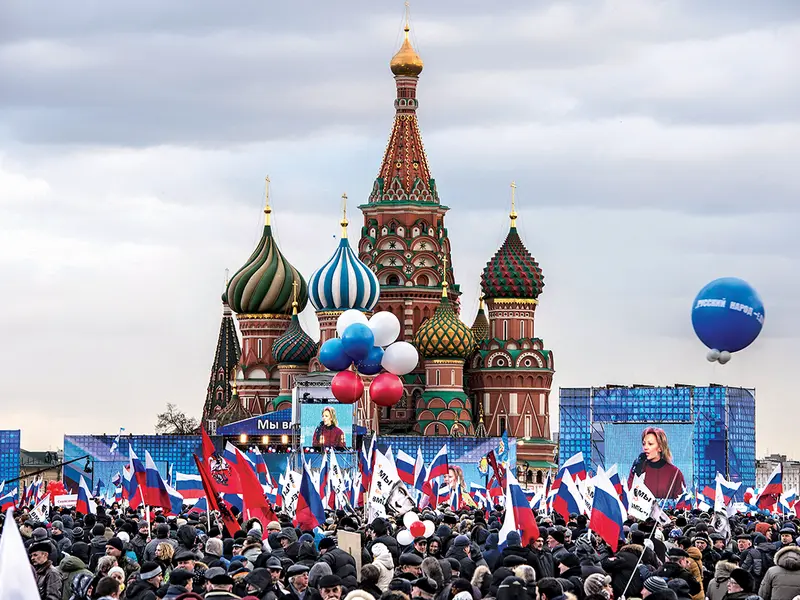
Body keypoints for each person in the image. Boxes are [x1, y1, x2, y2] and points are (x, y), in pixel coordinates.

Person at [628, 427, 685, 499]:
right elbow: (629, 494)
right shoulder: (638, 467)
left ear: (660, 448)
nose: (645, 447)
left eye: (650, 444)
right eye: (644, 444)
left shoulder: (675, 473)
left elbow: (682, 501)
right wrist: (636, 471)